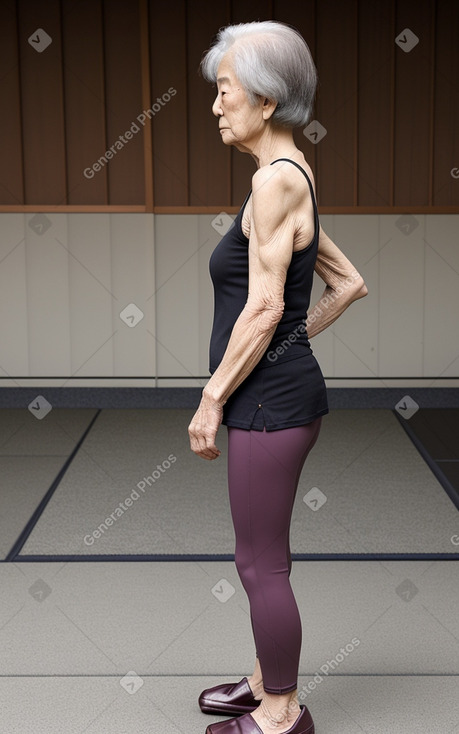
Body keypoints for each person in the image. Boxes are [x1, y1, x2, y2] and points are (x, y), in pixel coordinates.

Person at [188, 20, 368, 734]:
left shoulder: (275, 185)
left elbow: (264, 306)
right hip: (277, 395)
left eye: (224, 90)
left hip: (267, 404)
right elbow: (348, 282)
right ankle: (265, 679)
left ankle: (280, 712)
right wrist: (289, 342)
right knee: (260, 558)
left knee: (261, 565)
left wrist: (211, 398)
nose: (215, 104)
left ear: (266, 99)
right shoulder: (289, 178)